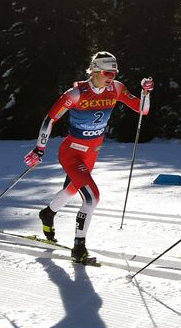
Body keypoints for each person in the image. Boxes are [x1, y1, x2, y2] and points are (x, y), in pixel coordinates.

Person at [24, 51, 153, 265]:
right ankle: (79, 248)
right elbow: (50, 119)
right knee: (92, 198)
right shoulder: (75, 94)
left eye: (114, 72)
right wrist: (39, 149)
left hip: (92, 152)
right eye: (106, 72)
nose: (110, 76)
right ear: (93, 70)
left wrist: (146, 93)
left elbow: (142, 110)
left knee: (72, 189)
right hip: (72, 152)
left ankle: (48, 214)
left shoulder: (116, 88)